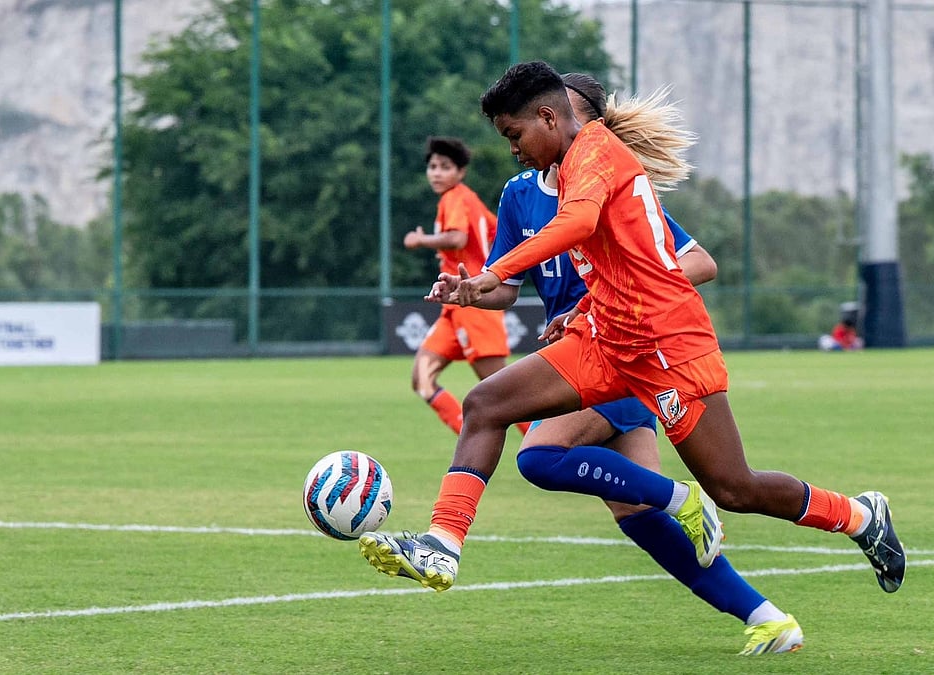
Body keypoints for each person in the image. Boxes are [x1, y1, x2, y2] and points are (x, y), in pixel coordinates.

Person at [359, 61, 904, 617]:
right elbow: (620, 264)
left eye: (514, 135)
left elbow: (579, 226)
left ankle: (858, 516)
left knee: (734, 489)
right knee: (486, 404)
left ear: (548, 118)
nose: (514, 151)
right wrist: (566, 308)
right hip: (605, 340)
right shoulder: (552, 174)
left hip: (668, 345)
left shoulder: (596, 153)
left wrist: (494, 273)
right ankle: (443, 544)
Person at [467, 73, 801, 655]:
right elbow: (507, 287)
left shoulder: (614, 183)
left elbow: (699, 261)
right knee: (636, 513)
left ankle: (685, 497)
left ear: (576, 120)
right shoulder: (520, 193)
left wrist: (613, 301)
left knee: (539, 454)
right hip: (582, 356)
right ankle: (769, 618)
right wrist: (474, 288)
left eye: (574, 116)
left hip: (622, 350)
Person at [403, 136, 525, 436]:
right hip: (454, 306)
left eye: (445, 167)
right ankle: (470, 442)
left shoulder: (455, 197)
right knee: (422, 378)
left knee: (509, 395)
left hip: (474, 302)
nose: (436, 173)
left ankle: (548, 447)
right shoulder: (470, 200)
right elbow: (499, 233)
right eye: (432, 167)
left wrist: (421, 240)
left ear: (460, 172)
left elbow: (457, 238)